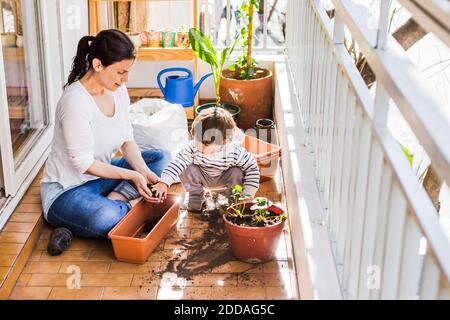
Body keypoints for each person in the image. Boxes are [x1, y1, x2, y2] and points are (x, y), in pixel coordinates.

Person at [40, 29, 170, 255]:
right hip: (68, 190)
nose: (125, 79)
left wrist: (144, 172)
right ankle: (118, 209)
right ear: (98, 65)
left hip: (100, 178)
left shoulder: (117, 90)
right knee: (105, 217)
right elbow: (83, 165)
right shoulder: (75, 102)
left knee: (161, 158)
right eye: (121, 72)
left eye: (128, 72)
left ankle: (116, 202)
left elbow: (126, 140)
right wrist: (132, 175)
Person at [151, 107, 260, 211]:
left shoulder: (233, 151)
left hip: (225, 179)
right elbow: (177, 162)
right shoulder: (193, 147)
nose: (199, 147)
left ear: (224, 142)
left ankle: (234, 201)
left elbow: (252, 168)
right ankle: (196, 198)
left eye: (206, 144)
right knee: (185, 168)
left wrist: (248, 195)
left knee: (237, 172)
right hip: (202, 177)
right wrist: (164, 182)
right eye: (197, 140)